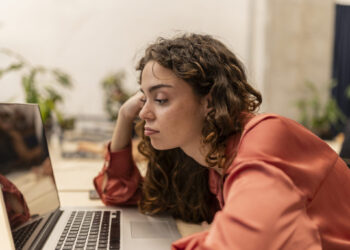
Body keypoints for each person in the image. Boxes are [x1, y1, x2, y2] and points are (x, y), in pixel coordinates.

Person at [94, 33, 350, 250]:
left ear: (208, 101)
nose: (143, 112)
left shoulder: (265, 139)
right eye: (143, 98)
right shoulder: (208, 160)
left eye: (160, 99)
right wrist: (124, 118)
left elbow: (247, 241)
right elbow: (122, 194)